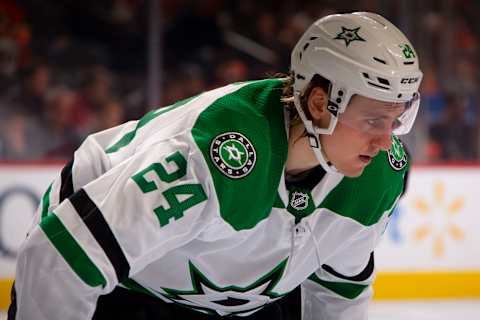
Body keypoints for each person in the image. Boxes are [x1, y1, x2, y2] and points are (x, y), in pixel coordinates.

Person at [9, 12, 422, 320]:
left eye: (397, 119)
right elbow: (59, 257)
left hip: (243, 299)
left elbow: (338, 291)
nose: (386, 141)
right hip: (127, 289)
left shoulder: (377, 173)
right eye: (372, 120)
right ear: (319, 105)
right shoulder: (211, 155)